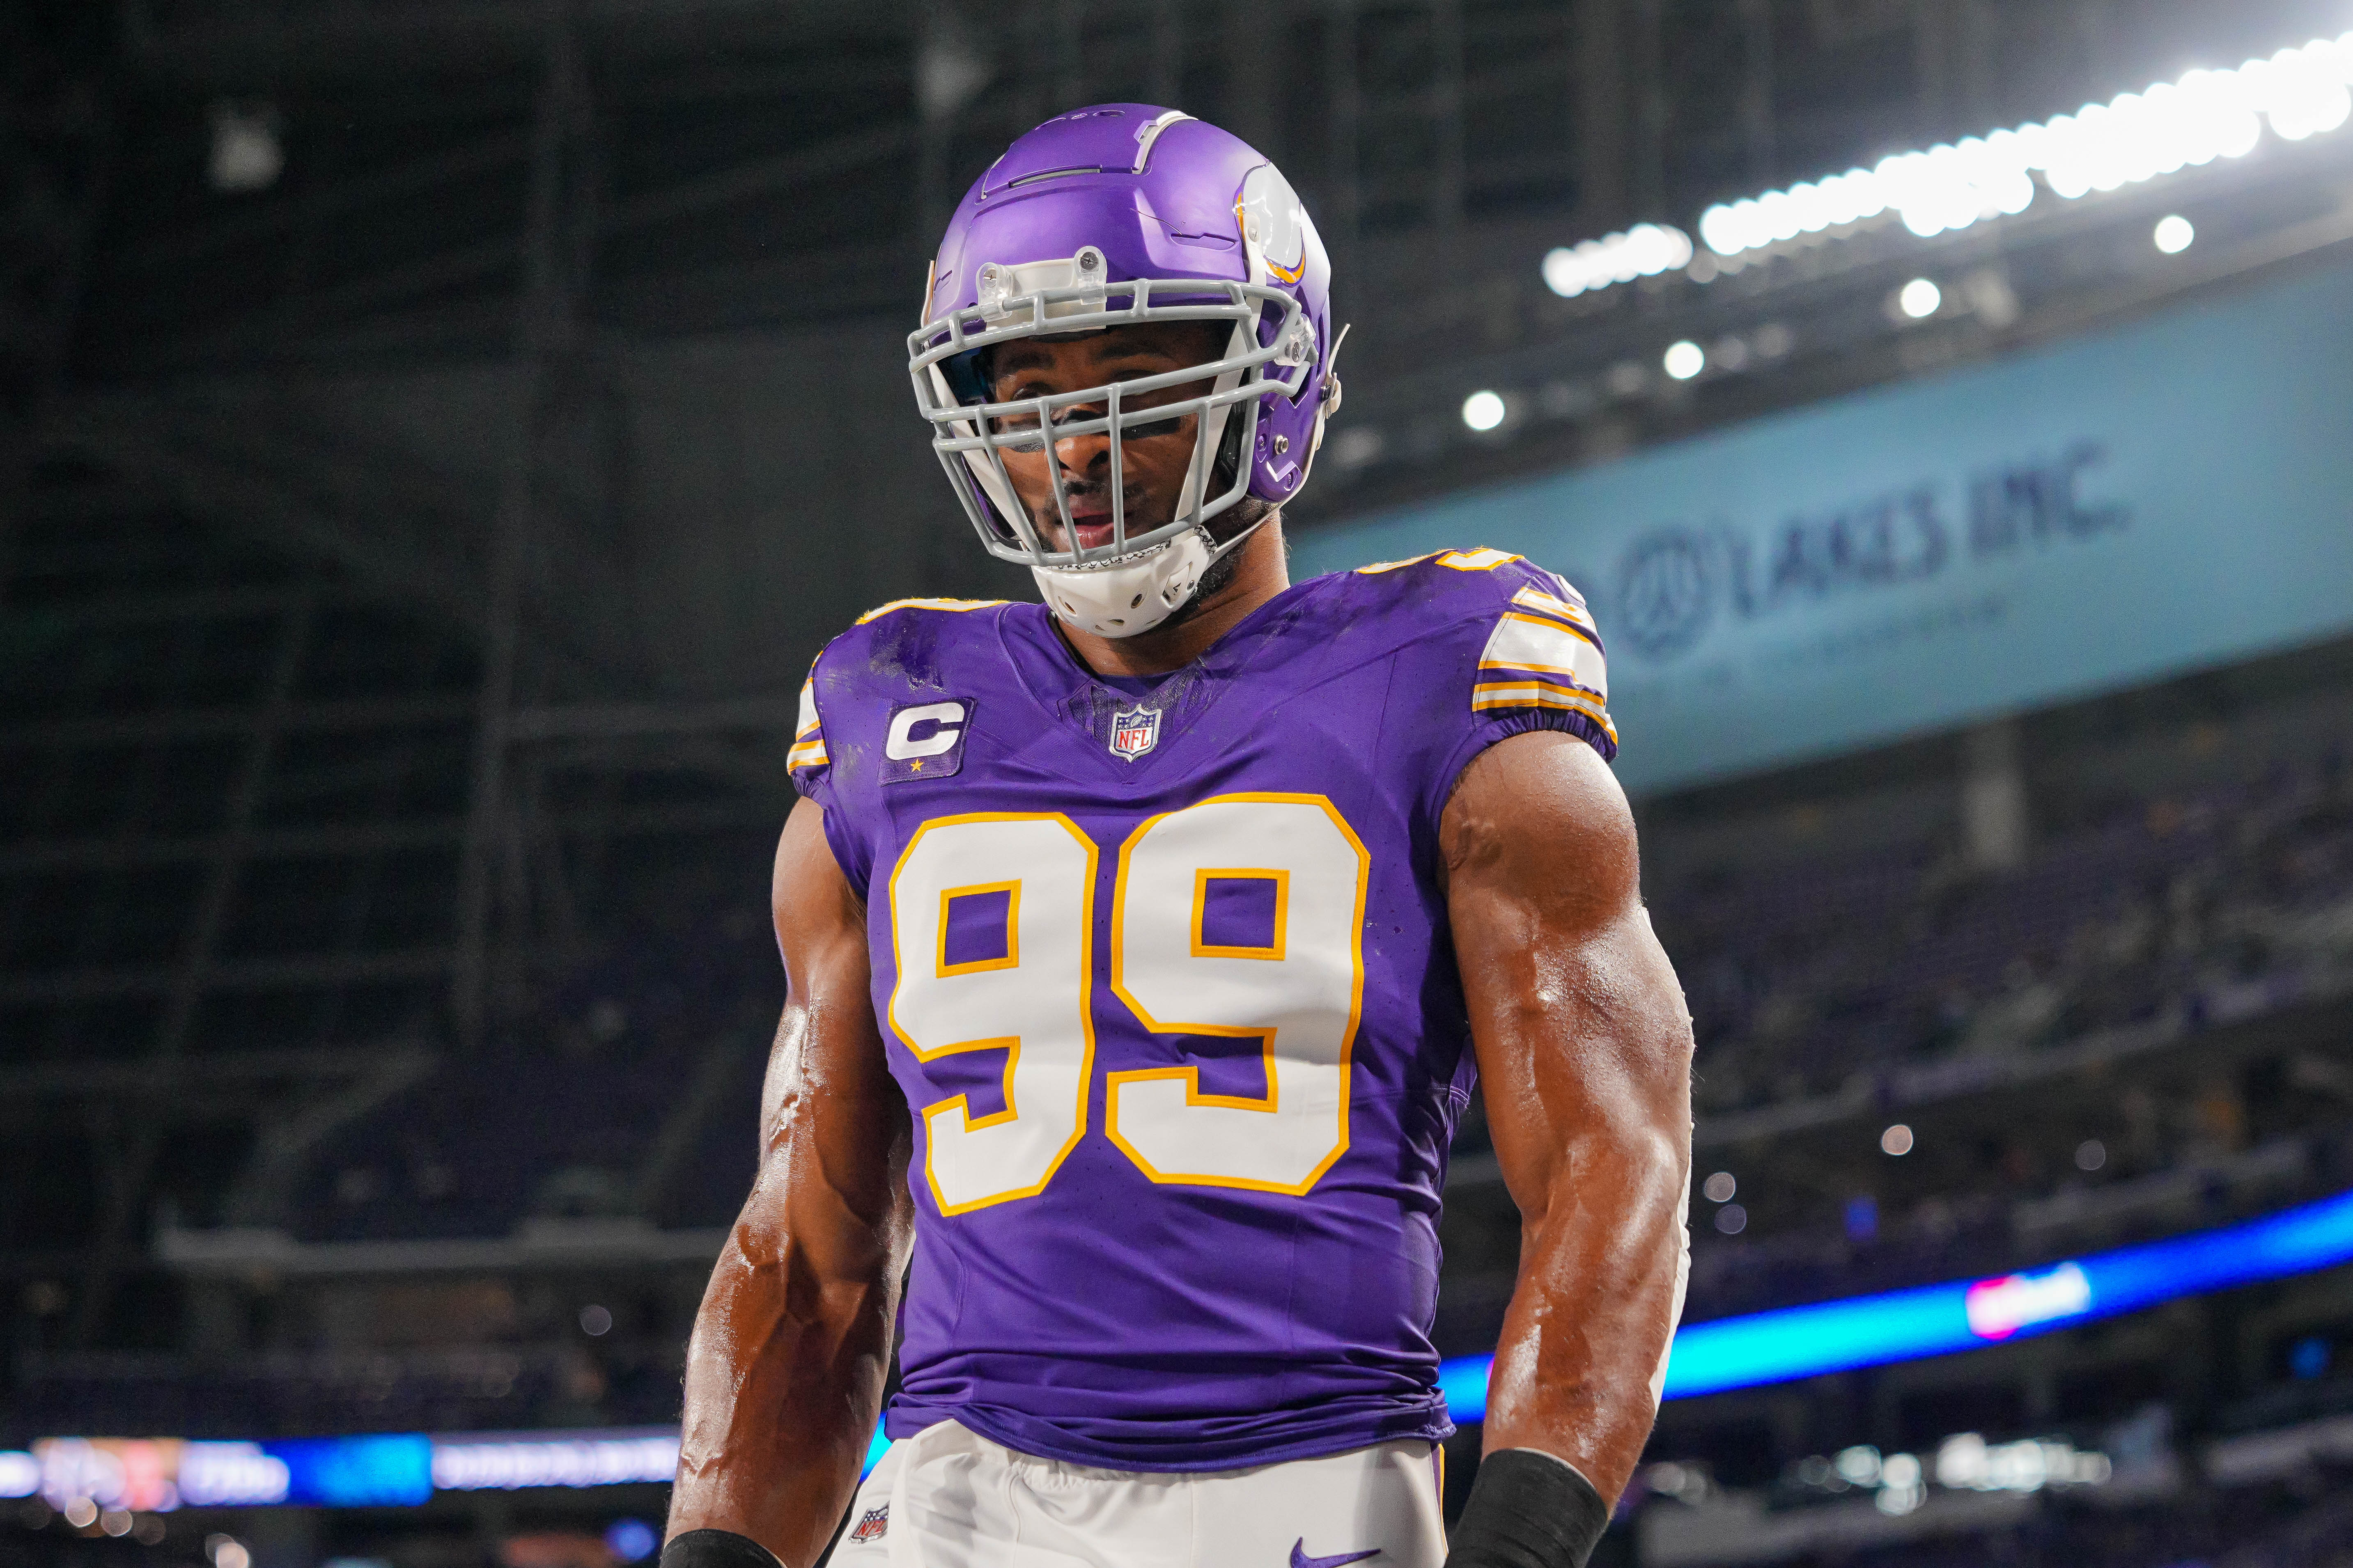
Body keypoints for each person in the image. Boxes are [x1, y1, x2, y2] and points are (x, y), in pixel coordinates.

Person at [663, 105, 1693, 1568]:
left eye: (1135, 386)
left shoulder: (1450, 671)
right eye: (1022, 396)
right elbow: (809, 1261)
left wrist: (1520, 1540)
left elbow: (1613, 1159)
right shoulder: (886, 714)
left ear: (1271, 380)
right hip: (955, 1491)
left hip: (1310, 1486)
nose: (1074, 452)